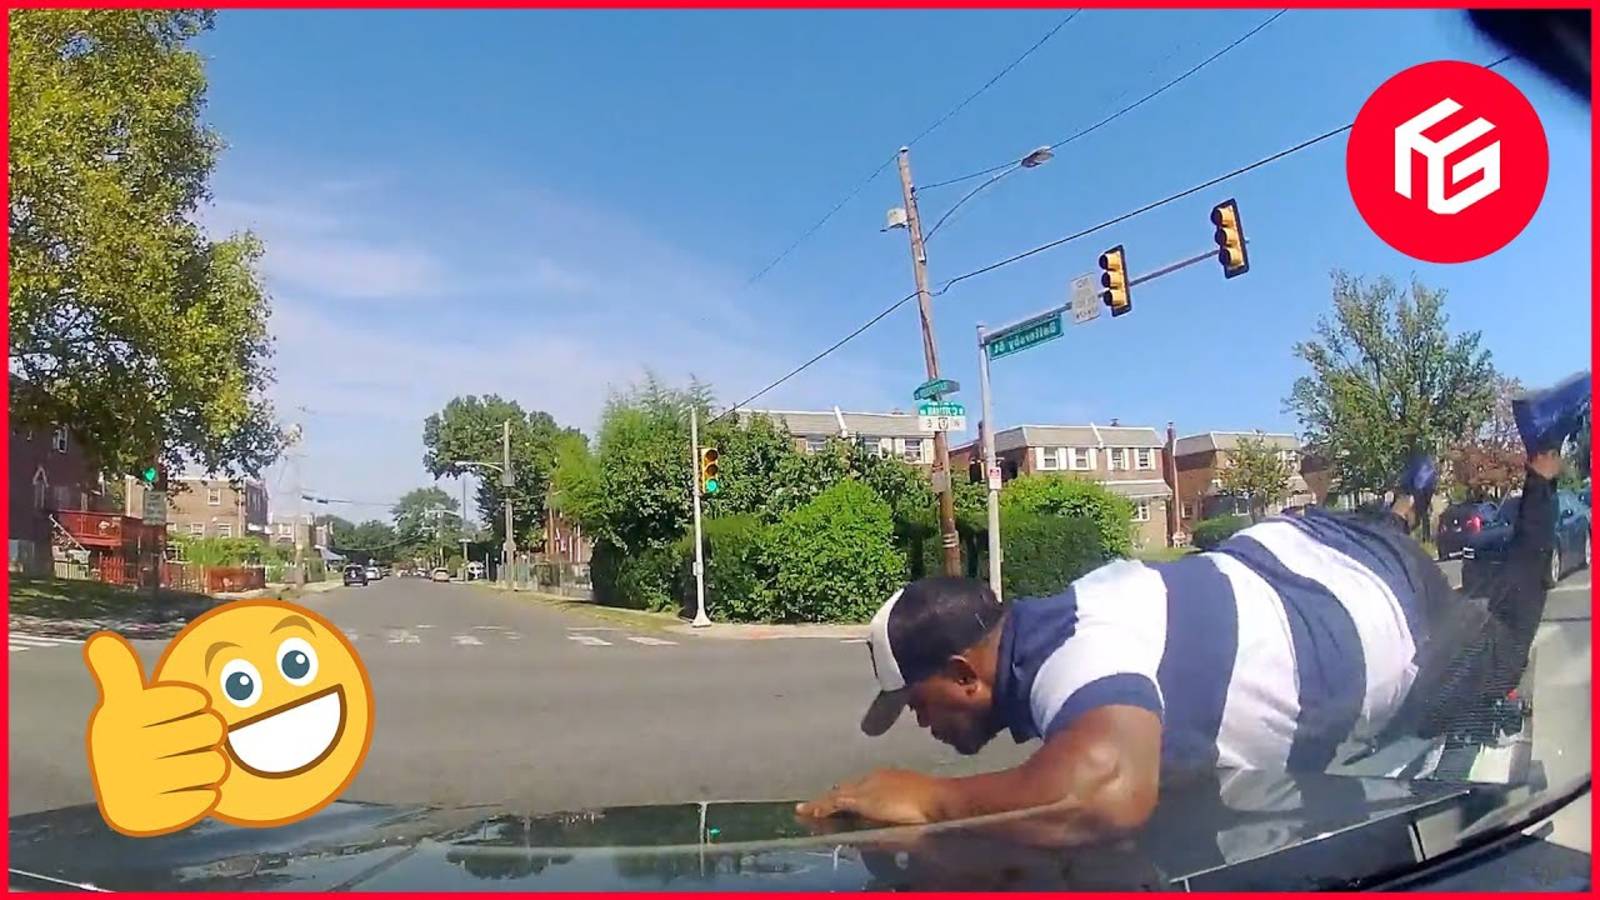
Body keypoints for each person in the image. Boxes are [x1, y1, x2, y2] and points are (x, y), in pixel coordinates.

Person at [797, 373, 1590, 834]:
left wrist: (931, 798)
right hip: (1295, 546)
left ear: (965, 674)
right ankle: (1403, 504)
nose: (922, 725)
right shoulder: (1073, 611)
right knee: (1379, 540)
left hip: (1379, 611)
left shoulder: (1074, 657)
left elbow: (1106, 791)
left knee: (1500, 647)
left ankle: (1542, 455)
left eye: (917, 704)